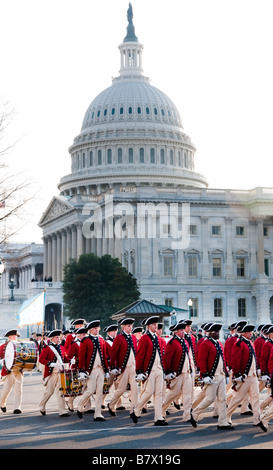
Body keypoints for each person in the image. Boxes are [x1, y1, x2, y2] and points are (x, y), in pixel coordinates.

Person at [191, 323, 234, 430]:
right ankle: (195, 413)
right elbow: (202, 360)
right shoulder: (205, 343)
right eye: (216, 332)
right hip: (212, 376)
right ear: (210, 333)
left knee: (222, 399)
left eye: (218, 332)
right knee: (210, 398)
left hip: (221, 375)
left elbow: (222, 360)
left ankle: (222, 422)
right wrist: (204, 375)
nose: (218, 334)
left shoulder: (218, 343)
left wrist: (226, 373)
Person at [131, 315, 168, 426]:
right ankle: (136, 410)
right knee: (148, 392)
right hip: (149, 370)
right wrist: (139, 371)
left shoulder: (157, 338)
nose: (156, 326)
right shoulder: (144, 338)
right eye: (153, 324)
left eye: (156, 324)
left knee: (159, 394)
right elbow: (140, 356)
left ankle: (158, 417)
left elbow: (160, 354)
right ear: (148, 326)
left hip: (159, 369)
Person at [227, 323, 262, 427]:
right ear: (243, 333)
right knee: (237, 399)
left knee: (255, 398)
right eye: (248, 332)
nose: (250, 334)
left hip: (253, 376)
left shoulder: (250, 343)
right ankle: (226, 416)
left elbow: (253, 358)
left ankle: (257, 419)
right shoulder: (239, 343)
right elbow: (235, 360)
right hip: (245, 376)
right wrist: (237, 374)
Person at [77, 320, 109, 421]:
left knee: (100, 392)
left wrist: (106, 369)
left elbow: (104, 355)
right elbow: (82, 356)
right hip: (91, 370)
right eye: (95, 328)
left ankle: (98, 414)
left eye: (97, 328)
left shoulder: (101, 340)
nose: (97, 330)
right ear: (90, 330)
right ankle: (80, 406)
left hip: (100, 369)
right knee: (90, 390)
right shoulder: (85, 340)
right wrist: (81, 370)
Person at [162, 321, 192, 422]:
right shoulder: (172, 342)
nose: (183, 332)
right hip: (177, 373)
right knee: (173, 394)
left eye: (183, 330)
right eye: (181, 330)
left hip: (186, 372)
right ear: (175, 332)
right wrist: (168, 372)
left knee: (187, 395)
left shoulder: (185, 341)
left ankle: (187, 415)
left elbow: (187, 357)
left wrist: (190, 369)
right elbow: (167, 358)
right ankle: (161, 409)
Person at [108, 318, 138, 417]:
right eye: (128, 326)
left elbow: (136, 352)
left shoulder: (133, 338)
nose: (130, 328)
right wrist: (112, 366)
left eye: (131, 326)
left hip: (133, 367)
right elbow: (114, 353)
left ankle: (133, 411)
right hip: (123, 368)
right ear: (123, 327)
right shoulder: (119, 338)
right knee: (121, 389)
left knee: (135, 389)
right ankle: (112, 404)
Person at [38, 329, 71, 417]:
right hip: (52, 373)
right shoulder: (47, 348)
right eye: (57, 337)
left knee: (61, 391)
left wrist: (71, 360)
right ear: (52, 338)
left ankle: (62, 411)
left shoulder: (61, 347)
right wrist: (50, 363)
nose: (59, 339)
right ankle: (41, 406)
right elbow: (41, 359)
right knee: (49, 391)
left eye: (59, 337)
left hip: (60, 373)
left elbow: (65, 358)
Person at [0, 329, 26, 414]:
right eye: (14, 336)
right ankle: (2, 403)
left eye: (16, 336)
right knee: (6, 389)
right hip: (8, 371)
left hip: (18, 370)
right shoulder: (3, 346)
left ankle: (17, 407)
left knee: (18, 389)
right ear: (9, 337)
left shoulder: (21, 346)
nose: (15, 337)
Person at [66, 326, 88, 412]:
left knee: (86, 388)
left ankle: (84, 406)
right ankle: (70, 402)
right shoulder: (74, 344)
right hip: (77, 367)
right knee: (76, 388)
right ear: (78, 335)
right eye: (83, 334)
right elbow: (69, 355)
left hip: (86, 368)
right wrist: (73, 359)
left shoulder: (88, 342)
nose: (84, 336)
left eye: (85, 334)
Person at [102, 324, 123, 410]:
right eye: (113, 331)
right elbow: (104, 355)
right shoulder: (105, 342)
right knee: (108, 385)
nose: (115, 332)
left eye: (115, 331)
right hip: (110, 366)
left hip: (118, 366)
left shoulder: (118, 341)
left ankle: (119, 404)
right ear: (109, 332)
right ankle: (101, 401)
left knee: (118, 386)